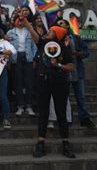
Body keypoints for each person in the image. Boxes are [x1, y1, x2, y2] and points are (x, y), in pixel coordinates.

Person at [25, 21, 76, 159]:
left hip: (60, 83)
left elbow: (71, 66)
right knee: (43, 113)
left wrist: (58, 64)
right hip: (43, 82)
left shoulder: (64, 48)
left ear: (57, 34)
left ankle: (65, 143)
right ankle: (41, 143)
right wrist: (25, 21)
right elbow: (32, 31)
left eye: (52, 31)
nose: (48, 32)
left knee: (61, 113)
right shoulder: (43, 44)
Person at [58, 19, 95, 129]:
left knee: (81, 96)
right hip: (64, 71)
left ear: (67, 26)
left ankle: (84, 118)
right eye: (58, 24)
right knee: (64, 97)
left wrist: (78, 54)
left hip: (77, 71)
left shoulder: (76, 38)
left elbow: (86, 51)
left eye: (61, 24)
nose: (60, 25)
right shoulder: (58, 39)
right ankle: (66, 118)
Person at [6, 13, 37, 117]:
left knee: (29, 83)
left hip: (28, 57)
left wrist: (34, 59)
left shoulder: (29, 31)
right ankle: (20, 106)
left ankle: (29, 106)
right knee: (18, 82)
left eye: (22, 20)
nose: (20, 22)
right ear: (14, 21)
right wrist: (9, 61)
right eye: (18, 20)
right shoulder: (10, 32)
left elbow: (34, 46)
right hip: (16, 57)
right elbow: (7, 47)